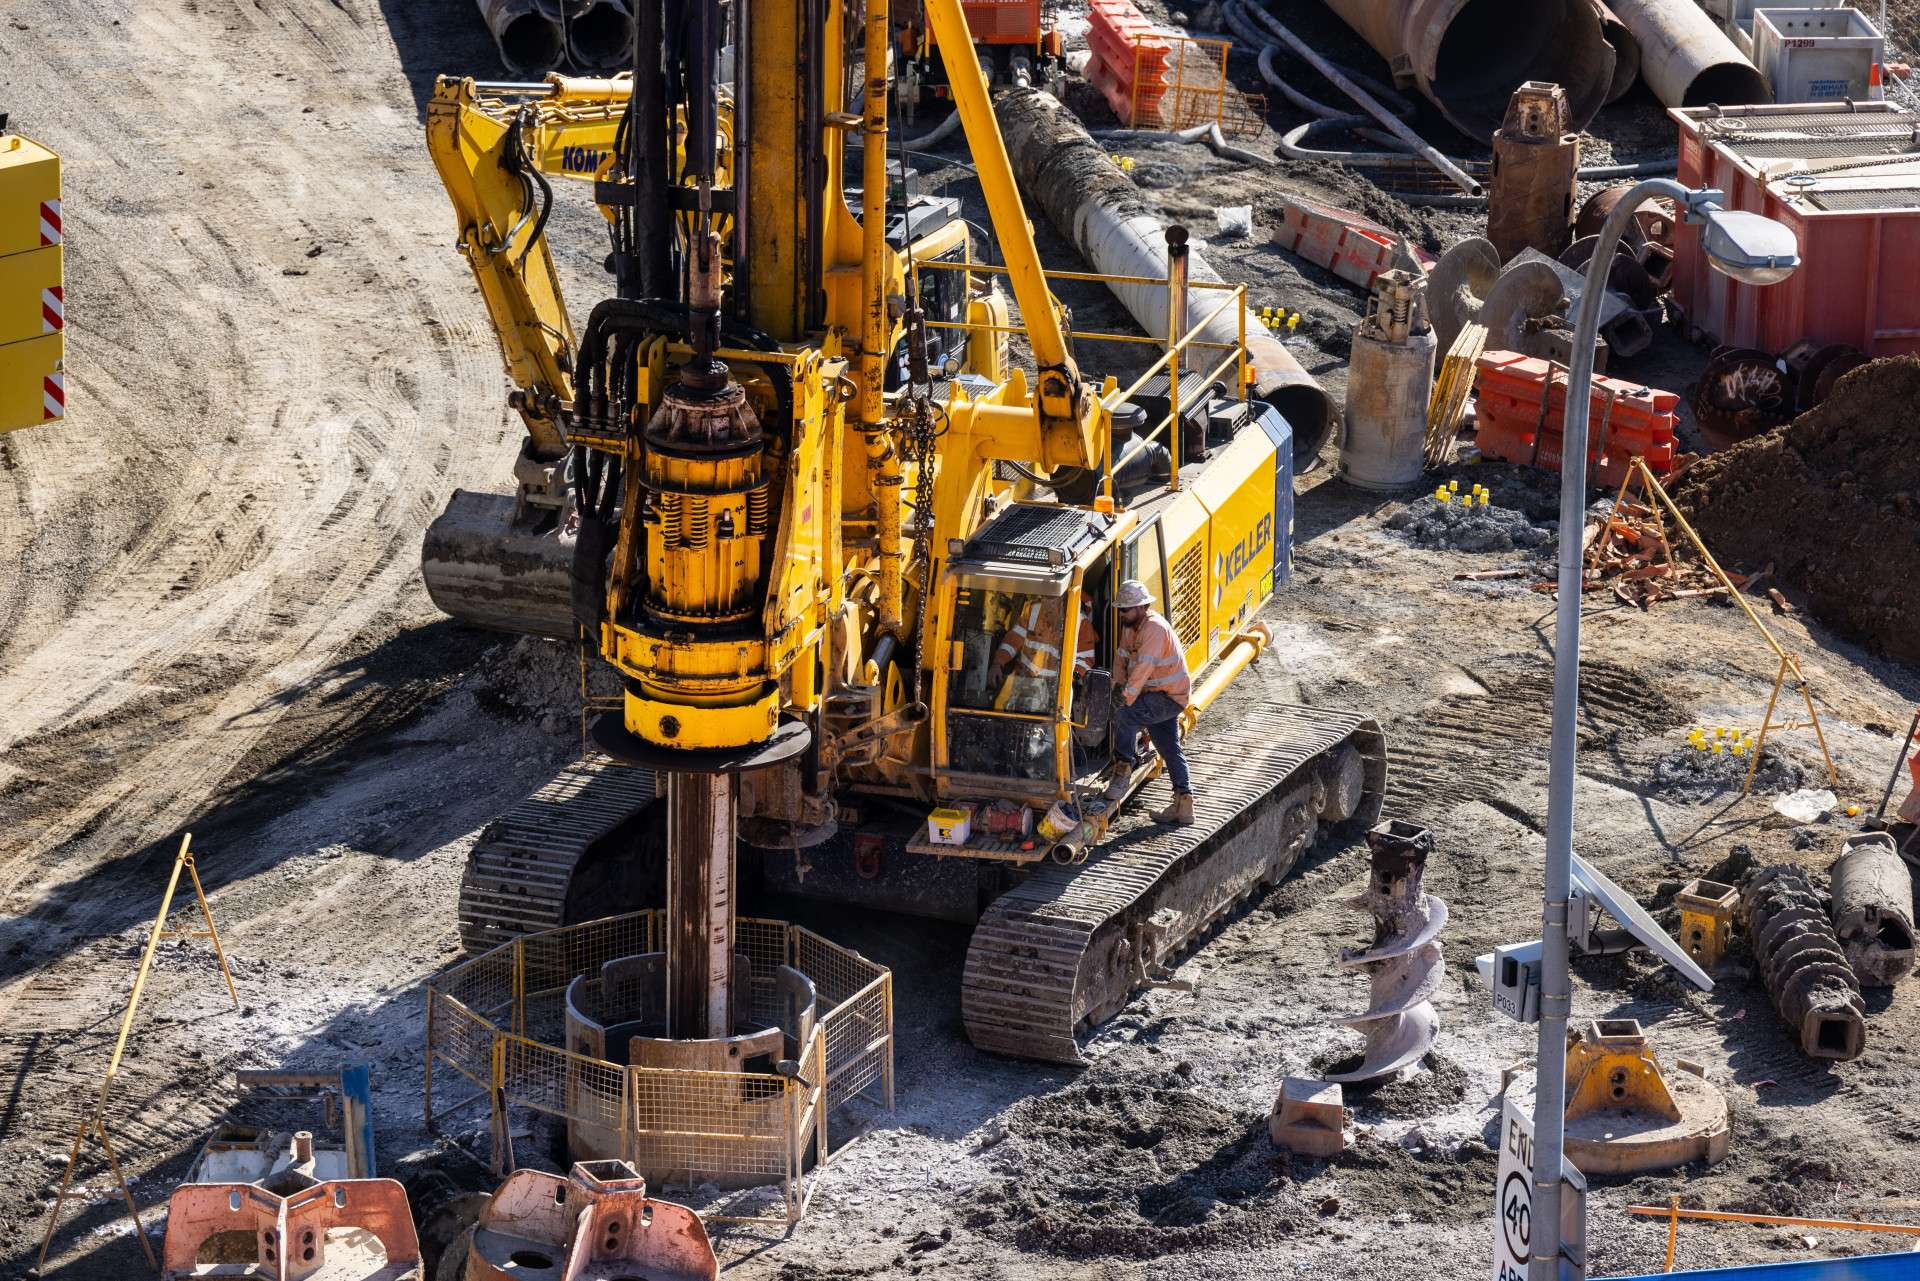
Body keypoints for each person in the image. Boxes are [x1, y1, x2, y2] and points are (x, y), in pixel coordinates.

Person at [1104, 579, 1194, 825]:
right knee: (1168, 747)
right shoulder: (1130, 627)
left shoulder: (1154, 629)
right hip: (1155, 695)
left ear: (1142, 607)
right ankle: (1184, 805)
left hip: (1168, 696)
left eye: (1126, 609)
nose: (1121, 614)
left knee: (1126, 715)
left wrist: (1125, 698)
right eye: (1120, 609)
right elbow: (1122, 657)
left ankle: (1123, 768)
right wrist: (1115, 685)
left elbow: (1144, 667)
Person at [992, 596, 1098, 714]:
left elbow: (1085, 659)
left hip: (1055, 691)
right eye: (1046, 597)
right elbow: (1012, 641)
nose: (1048, 602)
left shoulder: (1080, 622)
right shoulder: (1032, 611)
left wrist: (1069, 680)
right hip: (1023, 681)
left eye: (1052, 599)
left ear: (1064, 598)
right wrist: (998, 663)